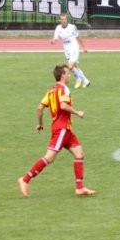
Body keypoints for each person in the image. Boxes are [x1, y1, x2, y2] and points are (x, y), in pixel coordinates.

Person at [17, 64, 95, 197]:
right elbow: (63, 106)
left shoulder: (51, 91)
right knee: (49, 157)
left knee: (79, 153)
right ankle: (25, 180)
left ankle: (80, 188)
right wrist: (77, 113)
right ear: (63, 75)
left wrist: (40, 124)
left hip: (65, 130)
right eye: (68, 73)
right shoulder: (64, 89)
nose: (69, 75)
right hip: (62, 129)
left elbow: (40, 108)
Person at [51, 13, 91, 88]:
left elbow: (78, 37)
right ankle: (86, 81)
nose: (64, 21)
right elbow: (55, 38)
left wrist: (84, 48)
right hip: (67, 50)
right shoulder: (58, 28)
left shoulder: (72, 27)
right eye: (62, 19)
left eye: (65, 19)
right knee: (75, 67)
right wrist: (53, 41)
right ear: (59, 20)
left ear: (67, 19)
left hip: (74, 48)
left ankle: (80, 79)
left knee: (70, 66)